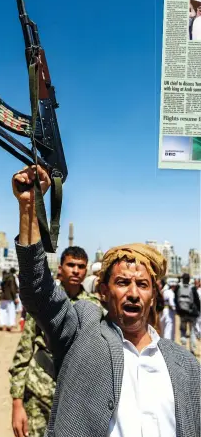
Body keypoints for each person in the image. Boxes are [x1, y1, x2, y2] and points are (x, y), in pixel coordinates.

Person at [12, 165, 200, 437]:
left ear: (153, 295)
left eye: (143, 285)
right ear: (102, 290)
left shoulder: (185, 364)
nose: (133, 293)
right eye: (123, 282)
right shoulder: (82, 332)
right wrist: (29, 210)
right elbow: (37, 291)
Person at [9, 246, 100, 437]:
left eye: (81, 266)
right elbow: (24, 352)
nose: (75, 270)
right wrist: (17, 403)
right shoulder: (45, 303)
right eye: (71, 265)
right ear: (60, 268)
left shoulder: (95, 307)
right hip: (39, 391)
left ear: (86, 270)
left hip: (75, 398)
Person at [175, 272, 200, 354]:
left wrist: (178, 310)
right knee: (192, 331)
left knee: (183, 331)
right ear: (189, 279)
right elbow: (197, 300)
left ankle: (183, 349)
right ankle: (192, 350)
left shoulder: (178, 287)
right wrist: (199, 310)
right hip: (192, 313)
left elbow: (176, 300)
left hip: (182, 314)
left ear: (182, 279)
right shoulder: (192, 288)